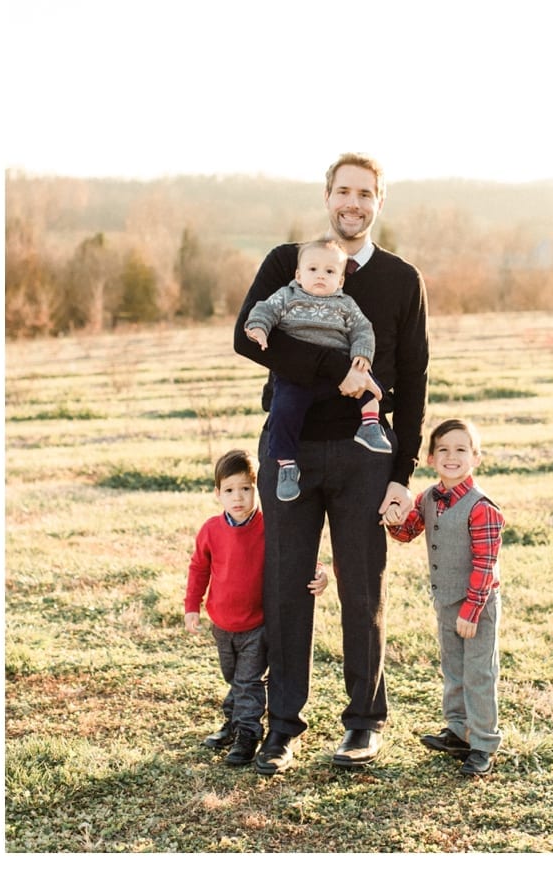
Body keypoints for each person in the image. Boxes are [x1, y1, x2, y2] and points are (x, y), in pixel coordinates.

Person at [234, 152, 430, 776]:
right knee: (288, 584)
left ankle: (364, 725)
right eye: (343, 191)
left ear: (379, 202)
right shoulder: (287, 262)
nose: (354, 203)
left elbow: (416, 376)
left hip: (365, 455)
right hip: (289, 448)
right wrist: (336, 370)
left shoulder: (402, 280)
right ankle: (283, 728)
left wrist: (403, 471)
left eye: (365, 194)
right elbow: (248, 337)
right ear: (327, 196)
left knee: (361, 587)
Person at [183, 448, 328, 767]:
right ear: (218, 494)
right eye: (231, 490)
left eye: (246, 489)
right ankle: (234, 721)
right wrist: (192, 605)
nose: (239, 498)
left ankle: (248, 733)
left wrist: (319, 571)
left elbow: (293, 552)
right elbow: (199, 569)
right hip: (221, 623)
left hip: (256, 625)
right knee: (233, 677)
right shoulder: (211, 530)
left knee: (249, 681)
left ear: (258, 489)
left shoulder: (268, 526)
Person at [383, 417, 505, 776]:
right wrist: (394, 518)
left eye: (461, 450)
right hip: (446, 600)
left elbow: (485, 563)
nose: (452, 456)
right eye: (443, 450)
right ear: (431, 459)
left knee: (479, 673)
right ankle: (457, 730)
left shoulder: (482, 508)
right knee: (453, 669)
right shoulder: (429, 498)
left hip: (476, 606)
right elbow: (407, 533)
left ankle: (483, 743)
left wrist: (471, 610)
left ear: (475, 457)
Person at [243, 237, 392, 504]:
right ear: (298, 275)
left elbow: (363, 330)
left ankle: (369, 426)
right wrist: (258, 328)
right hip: (296, 373)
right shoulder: (287, 296)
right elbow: (263, 310)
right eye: (313, 270)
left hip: (339, 370)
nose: (320, 276)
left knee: (370, 385)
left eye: (330, 271)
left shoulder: (345, 304)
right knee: (284, 409)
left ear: (340, 281)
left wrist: (361, 355)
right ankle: (287, 465)